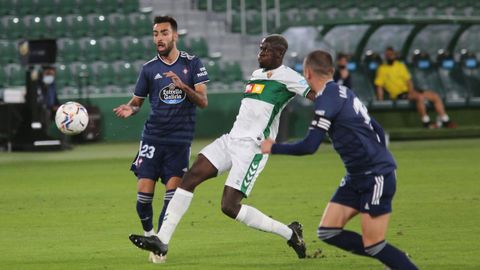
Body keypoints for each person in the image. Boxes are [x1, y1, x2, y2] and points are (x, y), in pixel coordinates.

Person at [128, 34, 316, 260]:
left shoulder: (290, 77)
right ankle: (162, 241)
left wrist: (333, 113)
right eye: (260, 49)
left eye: (266, 50)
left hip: (253, 148)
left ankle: (289, 233)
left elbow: (317, 95)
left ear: (280, 53)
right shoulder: (257, 74)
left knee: (229, 206)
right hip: (231, 139)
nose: (261, 53)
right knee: (191, 176)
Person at [261, 50, 419, 269]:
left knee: (374, 244)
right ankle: (392, 255)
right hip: (356, 176)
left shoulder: (327, 99)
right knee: (328, 231)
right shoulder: (344, 91)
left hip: (375, 176)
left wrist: (273, 148)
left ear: (307, 73)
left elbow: (310, 146)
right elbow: (378, 129)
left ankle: (395, 258)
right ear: (332, 71)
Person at [113, 15, 209, 263]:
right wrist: (130, 108)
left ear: (175, 35)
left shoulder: (192, 63)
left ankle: (160, 245)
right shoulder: (148, 69)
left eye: (164, 33)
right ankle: (150, 235)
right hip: (152, 139)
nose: (159, 38)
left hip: (179, 142)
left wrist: (183, 86)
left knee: (171, 198)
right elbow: (137, 102)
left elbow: (203, 102)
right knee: (143, 199)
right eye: (156, 33)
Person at [375, 46, 455, 128]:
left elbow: (408, 81)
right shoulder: (382, 69)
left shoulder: (400, 66)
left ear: (394, 55)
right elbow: (379, 86)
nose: (390, 56)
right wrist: (380, 100)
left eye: (391, 54)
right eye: (388, 55)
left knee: (434, 96)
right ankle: (426, 122)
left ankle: (445, 120)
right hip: (398, 95)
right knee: (420, 97)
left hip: (410, 92)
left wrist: (411, 91)